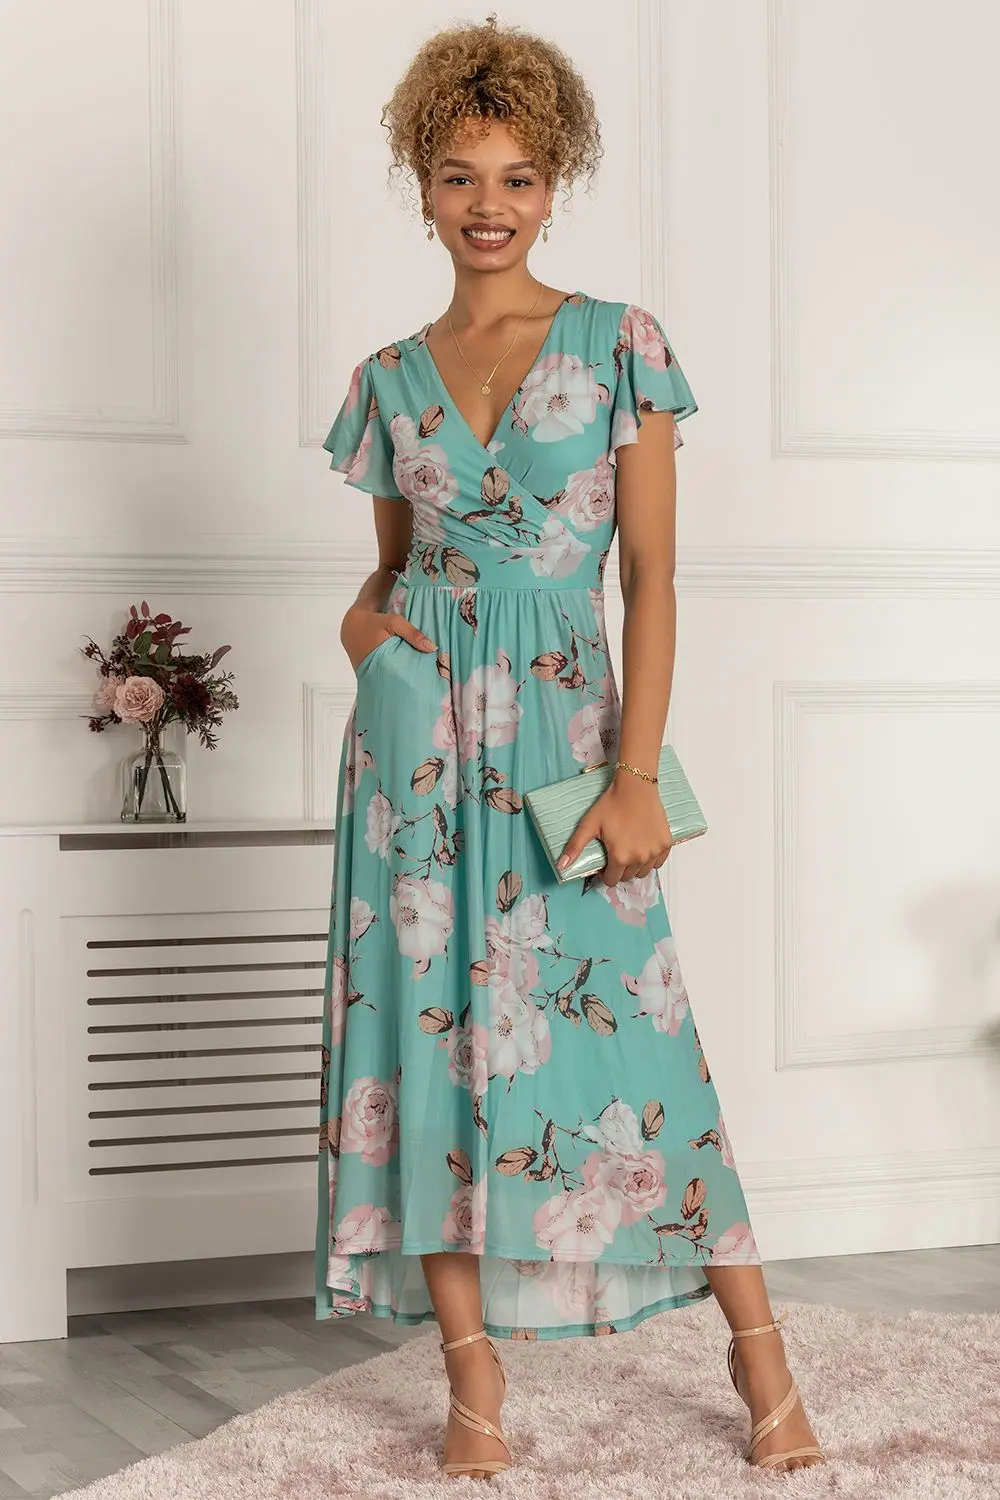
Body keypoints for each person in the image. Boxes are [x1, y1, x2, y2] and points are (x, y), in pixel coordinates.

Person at [313, 11, 826, 1482]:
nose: (489, 205)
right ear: (421, 184)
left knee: (638, 1039)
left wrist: (637, 771)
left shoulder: (619, 345)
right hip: (411, 754)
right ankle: (472, 1389)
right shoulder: (389, 375)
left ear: (555, 187)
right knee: (420, 1047)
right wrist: (364, 638)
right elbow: (388, 571)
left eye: (519, 177)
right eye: (460, 175)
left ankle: (762, 1364)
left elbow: (649, 575)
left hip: (564, 737)